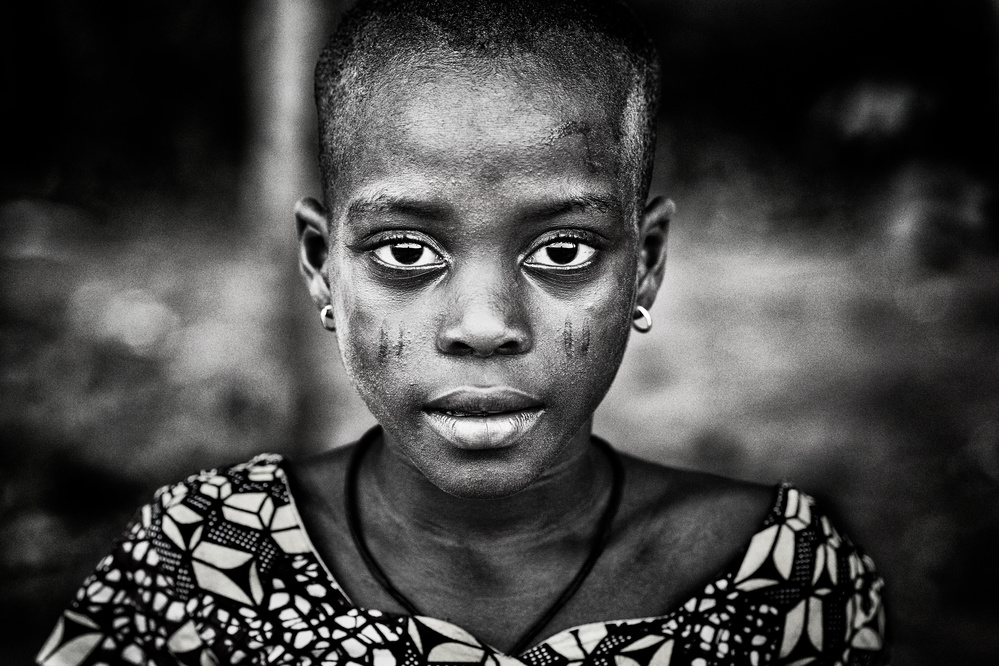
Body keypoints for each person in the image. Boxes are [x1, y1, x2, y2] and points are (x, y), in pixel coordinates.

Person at [37, 0, 887, 664]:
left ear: (646, 263)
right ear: (321, 265)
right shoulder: (203, 562)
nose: (484, 325)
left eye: (562, 249)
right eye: (405, 250)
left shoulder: (779, 579)